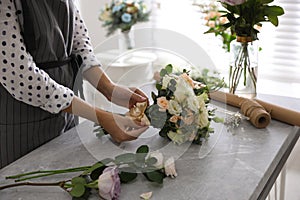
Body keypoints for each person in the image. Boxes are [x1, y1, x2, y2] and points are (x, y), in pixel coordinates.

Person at [0, 0, 149, 169]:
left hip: (67, 113)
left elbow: (80, 45)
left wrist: (109, 89)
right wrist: (101, 116)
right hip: (21, 125)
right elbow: (21, 76)